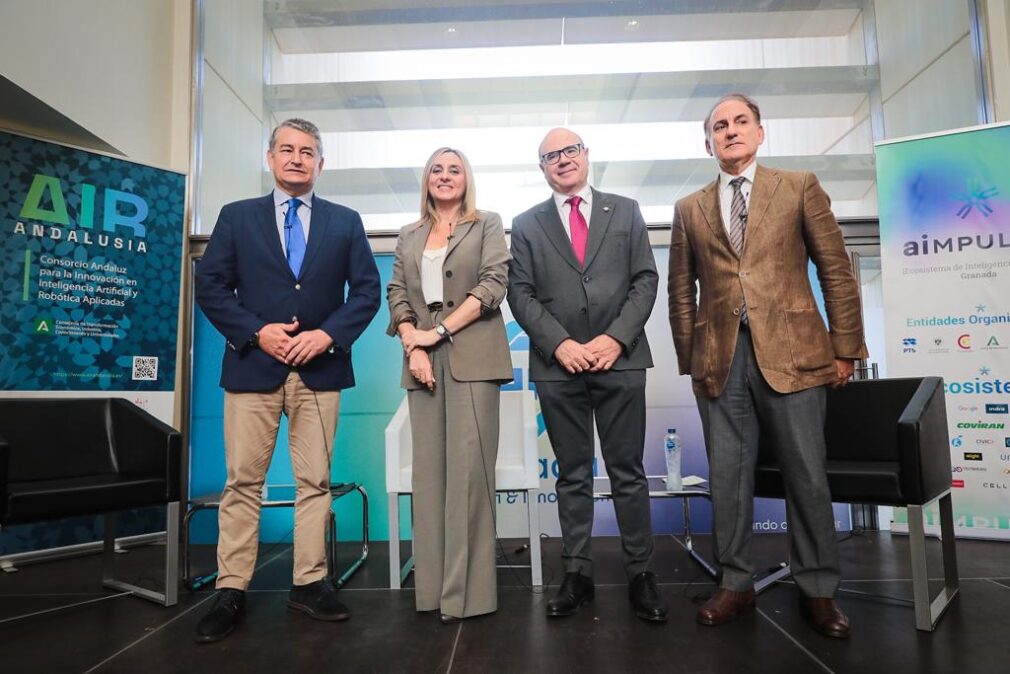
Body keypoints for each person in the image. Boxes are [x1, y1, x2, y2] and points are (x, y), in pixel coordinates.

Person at [668, 93, 868, 638]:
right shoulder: (689, 208)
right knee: (728, 478)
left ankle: (819, 591)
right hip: (720, 363)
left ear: (760, 133)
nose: (730, 131)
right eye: (719, 126)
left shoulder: (798, 186)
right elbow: (680, 292)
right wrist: (691, 358)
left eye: (740, 122)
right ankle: (735, 583)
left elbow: (836, 270)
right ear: (707, 141)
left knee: (807, 475)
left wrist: (845, 347)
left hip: (798, 356)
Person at [193, 118, 381, 642]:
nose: (297, 158)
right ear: (271, 157)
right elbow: (210, 286)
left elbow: (366, 292)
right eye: (287, 150)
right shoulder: (237, 217)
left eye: (308, 151)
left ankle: (310, 583)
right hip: (253, 369)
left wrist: (326, 337)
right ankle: (231, 590)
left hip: (319, 372)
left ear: (321, 163)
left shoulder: (345, 221)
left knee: (314, 482)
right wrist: (256, 332)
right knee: (242, 482)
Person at [508, 128, 667, 623]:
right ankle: (576, 574)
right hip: (560, 368)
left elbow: (645, 279)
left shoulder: (625, 209)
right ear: (542, 168)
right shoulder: (527, 223)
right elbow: (521, 294)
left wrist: (615, 338)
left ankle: (641, 573)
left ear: (586, 155)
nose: (562, 160)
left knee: (628, 472)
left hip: (621, 359)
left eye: (569, 150)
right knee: (572, 475)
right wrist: (562, 345)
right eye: (550, 156)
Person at [386, 147, 513, 624]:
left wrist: (436, 333)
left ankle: (470, 595)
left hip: (472, 356)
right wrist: (413, 345)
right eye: (436, 169)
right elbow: (397, 292)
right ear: (426, 180)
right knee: (430, 478)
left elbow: (493, 284)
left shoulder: (487, 223)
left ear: (467, 178)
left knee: (468, 477)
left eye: (454, 169)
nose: (444, 176)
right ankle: (432, 593)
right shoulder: (409, 234)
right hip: (421, 358)